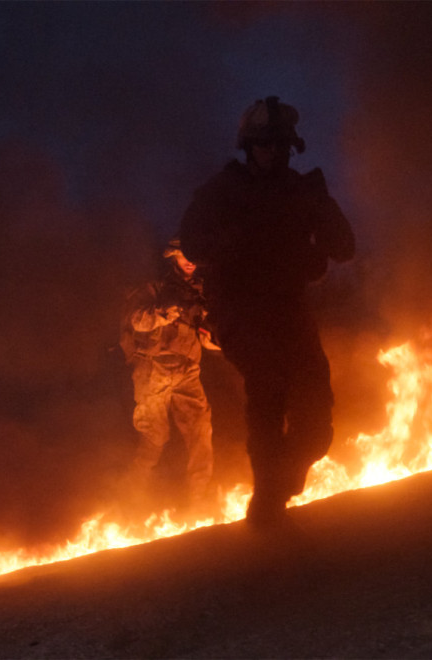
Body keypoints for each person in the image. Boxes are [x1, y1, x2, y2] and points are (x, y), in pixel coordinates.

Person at [179, 96, 355, 527]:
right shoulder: (222, 191)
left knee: (316, 422)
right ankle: (267, 501)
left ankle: (281, 483)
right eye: (263, 144)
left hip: (290, 310)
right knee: (269, 385)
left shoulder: (303, 191)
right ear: (248, 146)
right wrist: (238, 240)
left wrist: (322, 221)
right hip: (240, 310)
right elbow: (193, 244)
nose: (272, 152)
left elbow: (344, 247)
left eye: (280, 144)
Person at [120, 239, 219, 517]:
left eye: (194, 256)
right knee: (154, 436)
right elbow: (136, 320)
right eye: (185, 255)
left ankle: (200, 503)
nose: (190, 261)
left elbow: (206, 335)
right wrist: (164, 312)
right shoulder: (153, 288)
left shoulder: (200, 292)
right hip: (153, 370)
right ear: (174, 256)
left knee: (200, 432)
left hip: (188, 370)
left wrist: (215, 339)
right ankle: (128, 503)